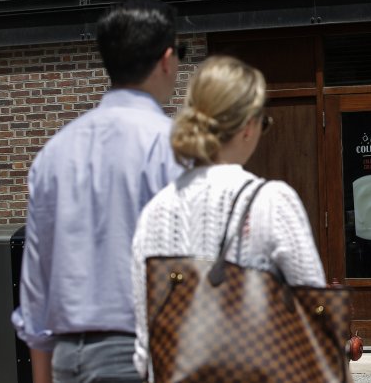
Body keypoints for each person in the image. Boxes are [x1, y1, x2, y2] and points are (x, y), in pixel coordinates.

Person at [12, 0, 184, 383]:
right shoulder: (172, 147)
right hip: (141, 355)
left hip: (64, 356)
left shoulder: (54, 152)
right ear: (167, 59)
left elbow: (36, 279)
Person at [131, 56, 326, 379]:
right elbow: (318, 324)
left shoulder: (154, 213)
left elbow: (144, 348)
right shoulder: (272, 202)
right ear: (249, 125)